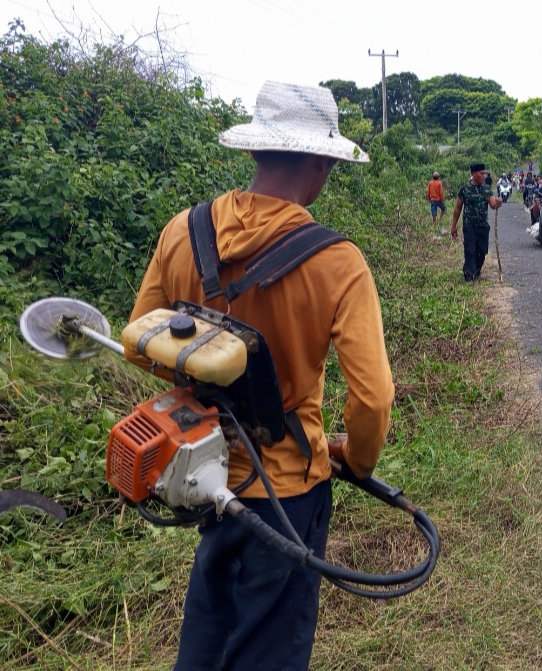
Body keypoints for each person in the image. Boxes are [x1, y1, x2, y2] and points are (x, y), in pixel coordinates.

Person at [126, 81, 395, 670]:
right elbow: (373, 399)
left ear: (253, 149)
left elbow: (142, 345)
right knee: (269, 650)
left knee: (208, 635)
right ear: (321, 162)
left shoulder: (183, 231)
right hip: (287, 492)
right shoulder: (337, 262)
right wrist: (356, 460)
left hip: (204, 477)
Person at [451, 163, 502, 282]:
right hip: (469, 225)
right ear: (474, 174)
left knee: (482, 250)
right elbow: (458, 208)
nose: (484, 176)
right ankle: (469, 275)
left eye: (484, 173)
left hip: (483, 226)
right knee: (470, 250)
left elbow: (492, 204)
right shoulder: (464, 189)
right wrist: (453, 226)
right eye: (481, 173)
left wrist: (497, 203)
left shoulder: (486, 189)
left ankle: (476, 271)